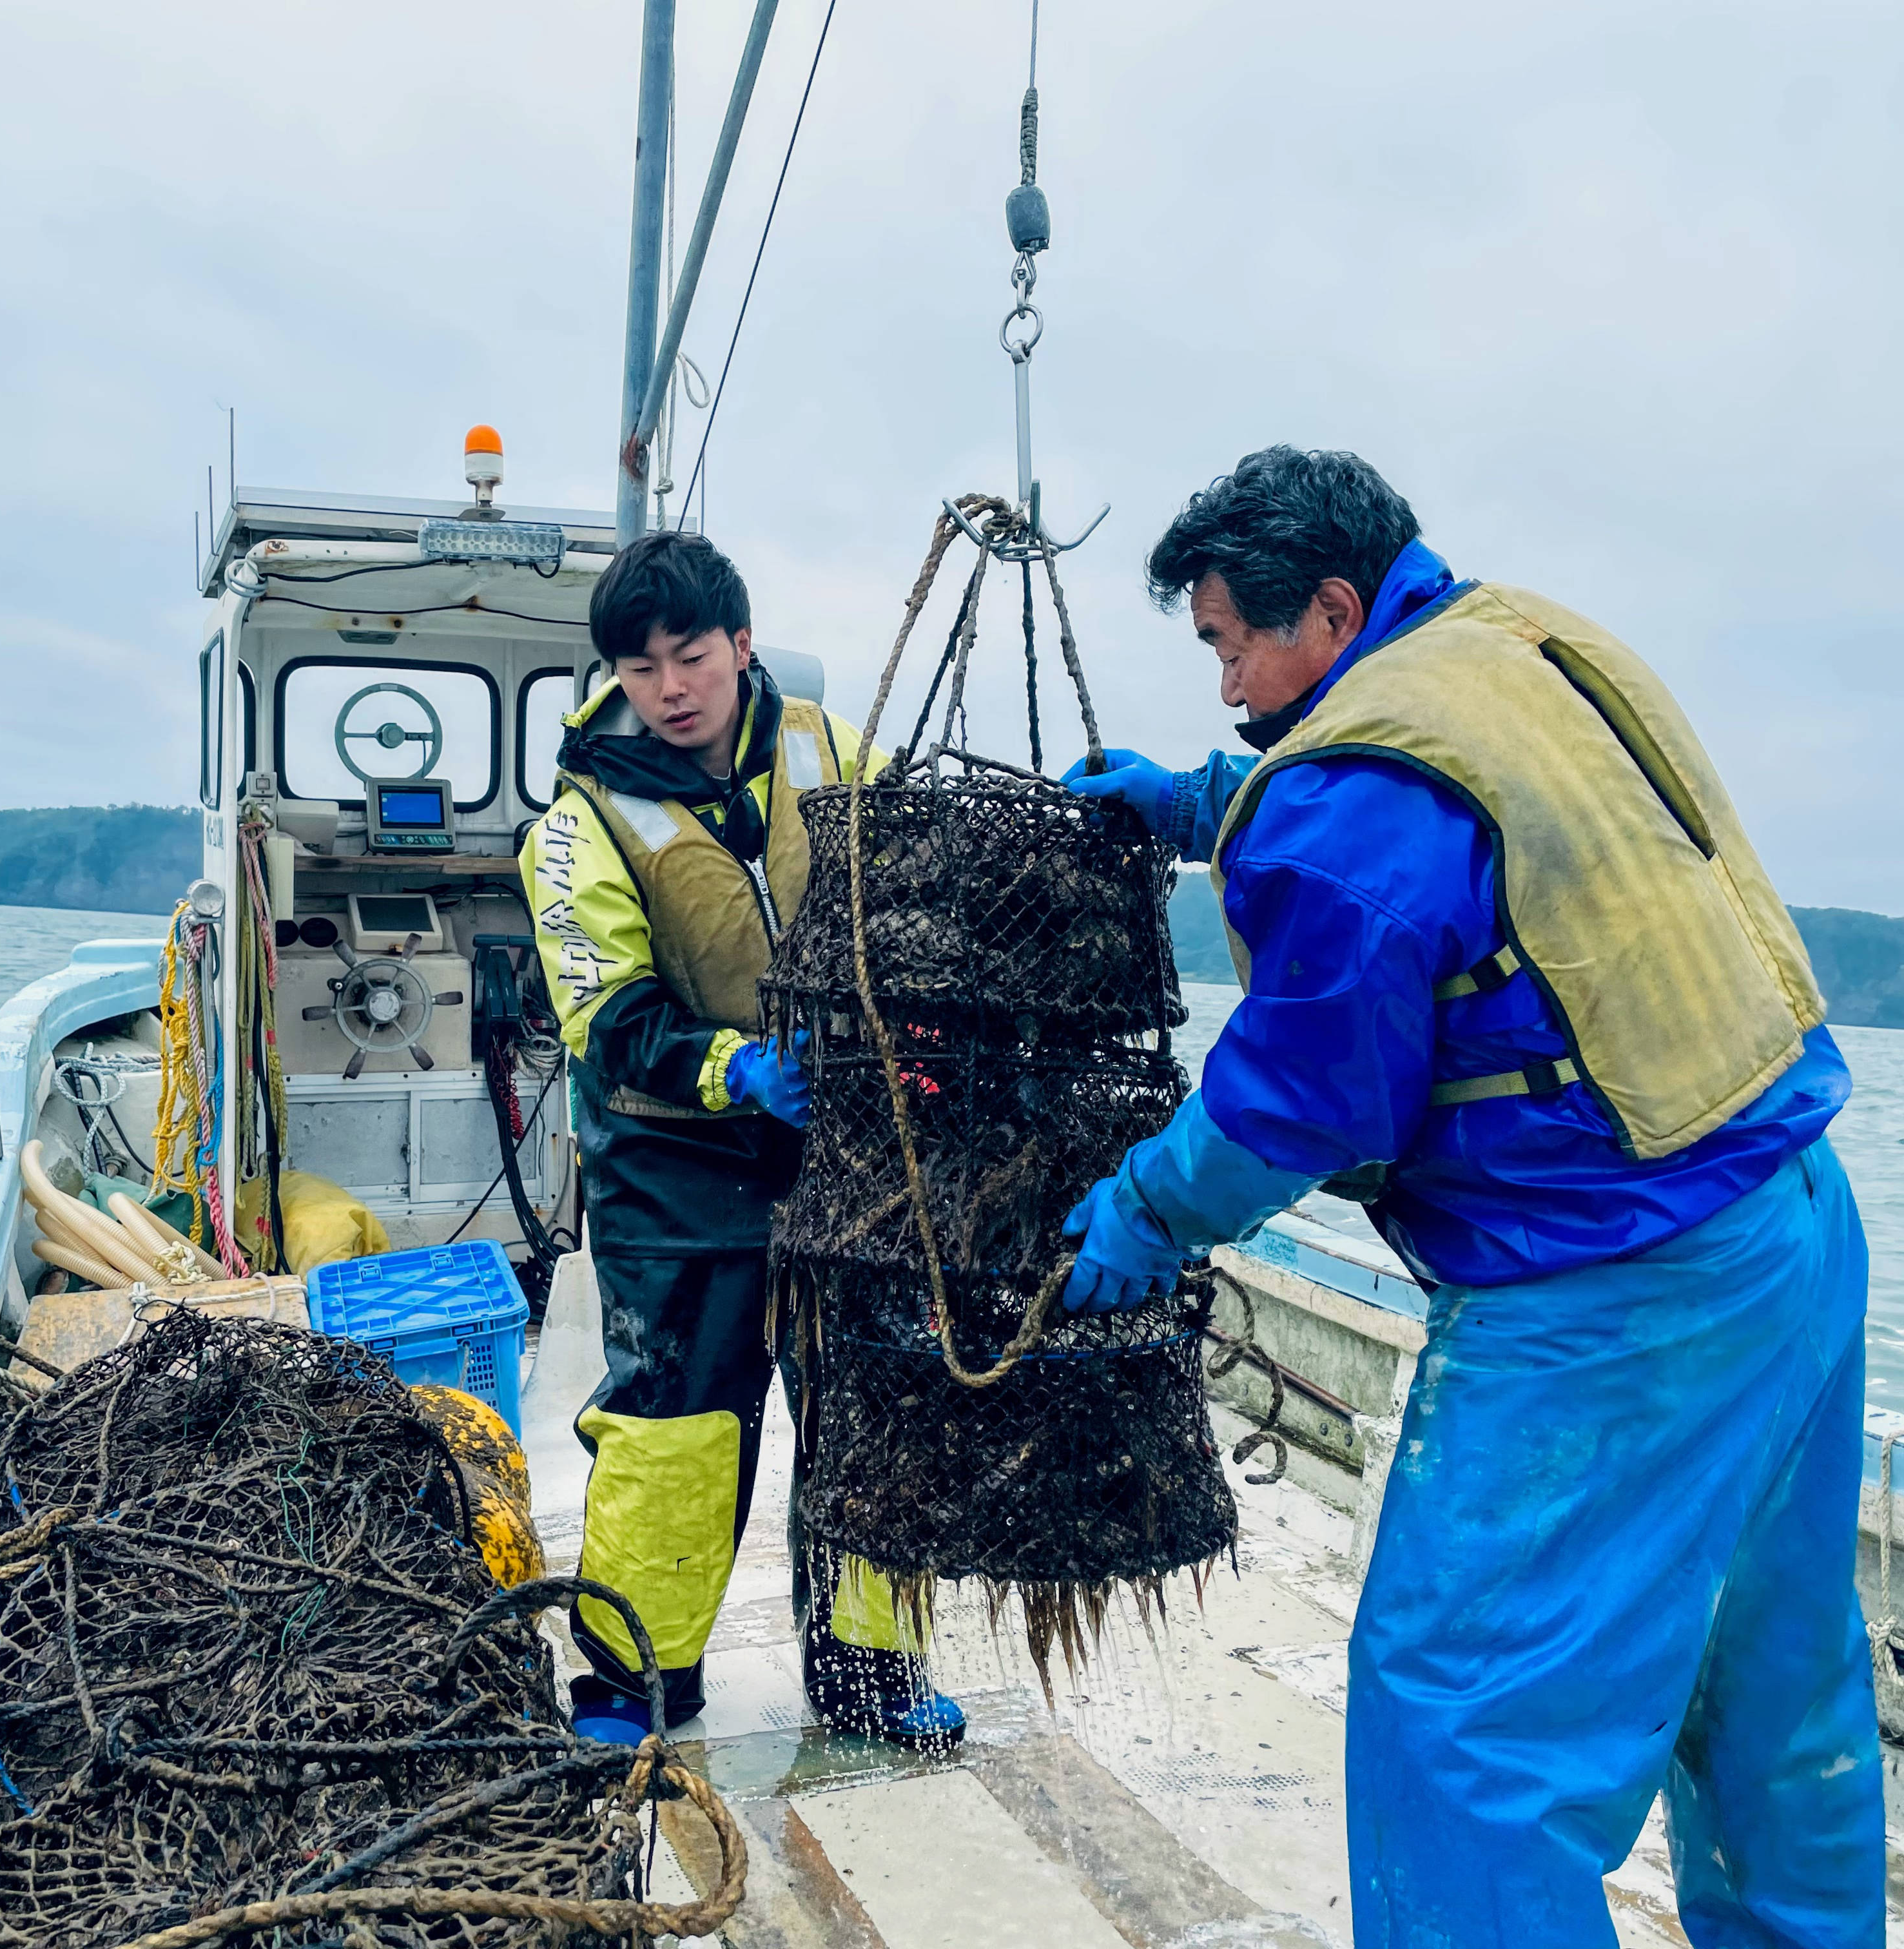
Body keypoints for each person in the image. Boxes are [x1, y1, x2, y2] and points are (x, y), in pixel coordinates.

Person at [1060, 447, 1882, 1946]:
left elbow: (1287, 1111)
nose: (1229, 677)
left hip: (1615, 1301)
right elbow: (1462, 837)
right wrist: (1205, 805)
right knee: (1772, 1685)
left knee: (1463, 1735)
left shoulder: (1350, 802)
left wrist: (1144, 1211)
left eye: (1234, 640)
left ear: (1331, 605)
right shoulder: (1521, 645)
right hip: (1799, 1230)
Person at [523, 529, 964, 1750]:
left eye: (692, 656)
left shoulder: (832, 750)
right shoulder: (578, 823)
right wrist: (741, 1071)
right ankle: (632, 1686)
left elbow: (917, 890)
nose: (670, 688)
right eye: (642, 663)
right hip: (675, 1168)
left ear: (742, 645)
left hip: (847, 1148)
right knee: (679, 1420)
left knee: (878, 1404)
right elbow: (608, 1021)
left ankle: (870, 1671)